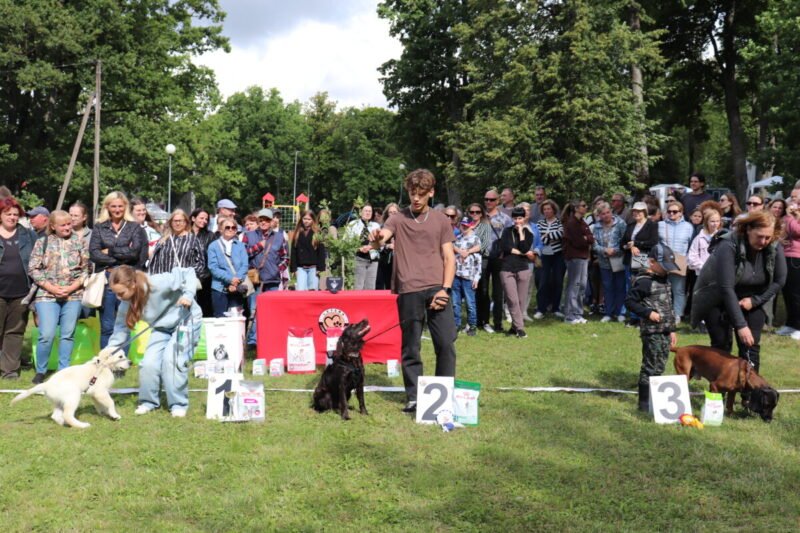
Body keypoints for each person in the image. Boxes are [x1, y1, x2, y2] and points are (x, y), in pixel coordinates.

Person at [370, 168, 456, 414]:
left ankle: (443, 394)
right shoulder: (398, 218)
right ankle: (415, 397)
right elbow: (382, 237)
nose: (415, 198)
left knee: (446, 343)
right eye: (412, 193)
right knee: (411, 347)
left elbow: (449, 257)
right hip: (408, 290)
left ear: (431, 192)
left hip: (437, 288)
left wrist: (445, 290)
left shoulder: (440, 219)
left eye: (421, 194)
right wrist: (377, 239)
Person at [691, 211, 786, 373]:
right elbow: (726, 288)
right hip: (718, 298)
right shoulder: (727, 245)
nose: (763, 241)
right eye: (760, 236)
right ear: (748, 229)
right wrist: (741, 325)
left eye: (767, 237)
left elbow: (779, 281)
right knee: (721, 346)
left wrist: (755, 301)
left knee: (750, 346)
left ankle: (750, 396)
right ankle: (716, 395)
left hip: (751, 298)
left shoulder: (774, 246)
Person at [107, 265, 202, 417]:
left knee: (172, 360)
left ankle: (178, 404)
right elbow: (120, 329)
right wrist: (109, 351)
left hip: (185, 321)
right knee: (148, 363)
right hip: (161, 327)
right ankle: (148, 402)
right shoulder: (127, 302)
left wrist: (188, 295)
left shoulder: (158, 282)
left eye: (121, 293)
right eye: (115, 294)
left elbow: (188, 272)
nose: (119, 297)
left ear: (132, 284)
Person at [28, 210, 90, 383]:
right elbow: (33, 268)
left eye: (69, 224)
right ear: (53, 226)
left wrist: (72, 287)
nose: (67, 227)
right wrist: (52, 288)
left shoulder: (80, 242)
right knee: (46, 334)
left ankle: (64, 371)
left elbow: (86, 269)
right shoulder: (42, 243)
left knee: (67, 334)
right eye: (63, 225)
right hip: (47, 294)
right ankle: (41, 370)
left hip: (73, 295)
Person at [624, 244, 679, 412]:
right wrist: (648, 313)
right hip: (651, 332)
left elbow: (668, 307)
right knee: (649, 366)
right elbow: (630, 302)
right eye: (664, 267)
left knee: (660, 364)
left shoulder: (666, 281)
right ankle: (644, 403)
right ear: (652, 262)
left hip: (664, 330)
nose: (667, 271)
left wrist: (672, 329)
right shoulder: (645, 282)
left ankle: (656, 399)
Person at [89, 191, 148, 349]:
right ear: (107, 207)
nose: (117, 209)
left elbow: (135, 252)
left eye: (120, 206)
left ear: (125, 207)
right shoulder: (99, 228)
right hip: (107, 279)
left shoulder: (134, 227)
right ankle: (106, 360)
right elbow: (94, 254)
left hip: (128, 280)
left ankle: (122, 362)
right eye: (113, 206)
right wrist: (123, 254)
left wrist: (110, 251)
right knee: (107, 325)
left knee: (124, 323)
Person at [0, 197, 38, 380]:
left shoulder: (28, 235)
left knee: (14, 332)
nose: (12, 217)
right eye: (8, 214)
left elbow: (38, 259)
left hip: (22, 293)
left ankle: (10, 371)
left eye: (16, 214)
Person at [242, 208, 288, 346]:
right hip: (255, 280)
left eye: (266, 220)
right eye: (261, 220)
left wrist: (277, 270)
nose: (263, 222)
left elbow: (285, 258)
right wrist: (258, 247)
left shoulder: (279, 237)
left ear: (271, 221)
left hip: (272, 280)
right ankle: (253, 342)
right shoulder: (248, 235)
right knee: (254, 312)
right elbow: (242, 255)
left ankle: (272, 338)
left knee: (273, 312)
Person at [478, 189, 512, 333]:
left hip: (499, 258)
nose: (488, 202)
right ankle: (483, 321)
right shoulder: (478, 216)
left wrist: (506, 252)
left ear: (497, 201)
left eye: (491, 200)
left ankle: (498, 323)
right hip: (482, 257)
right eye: (486, 199)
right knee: (482, 290)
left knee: (498, 292)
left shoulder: (504, 218)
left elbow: (511, 237)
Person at [500, 207, 534, 337]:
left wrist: (521, 233)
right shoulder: (506, 231)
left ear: (524, 218)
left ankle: (514, 328)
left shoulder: (528, 234)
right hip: (507, 268)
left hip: (523, 269)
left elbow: (525, 247)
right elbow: (505, 247)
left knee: (520, 301)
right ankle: (520, 329)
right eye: (515, 218)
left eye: (520, 218)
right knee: (512, 300)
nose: (517, 221)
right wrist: (522, 253)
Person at [658, 200, 693, 323]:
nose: (671, 213)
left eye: (675, 211)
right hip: (663, 260)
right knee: (662, 289)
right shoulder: (661, 225)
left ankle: (677, 315)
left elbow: (690, 245)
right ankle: (663, 312)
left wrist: (688, 260)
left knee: (678, 290)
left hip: (680, 260)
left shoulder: (688, 227)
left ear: (681, 213)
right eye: (669, 211)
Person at [592, 202, 627, 322]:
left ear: (611, 212)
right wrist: (604, 250)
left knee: (620, 286)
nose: (606, 215)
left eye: (608, 212)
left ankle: (621, 312)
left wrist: (615, 250)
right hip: (604, 261)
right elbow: (594, 245)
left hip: (618, 259)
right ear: (599, 215)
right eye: (603, 214)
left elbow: (625, 241)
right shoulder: (596, 227)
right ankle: (608, 312)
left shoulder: (621, 224)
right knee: (607, 287)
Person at [207, 216, 248, 317]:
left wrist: (236, 281)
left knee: (236, 318)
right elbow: (213, 267)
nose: (230, 229)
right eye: (227, 227)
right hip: (219, 288)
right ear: (221, 229)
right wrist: (230, 279)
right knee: (220, 319)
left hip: (237, 287)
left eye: (233, 228)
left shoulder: (240, 245)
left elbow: (245, 264)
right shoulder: (213, 246)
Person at [562, 200, 593, 324]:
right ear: (576, 208)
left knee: (582, 286)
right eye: (583, 206)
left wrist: (587, 238)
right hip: (575, 257)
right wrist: (585, 239)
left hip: (584, 257)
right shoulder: (572, 223)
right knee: (574, 285)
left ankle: (578, 313)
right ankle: (570, 315)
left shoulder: (582, 222)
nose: (586, 208)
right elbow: (578, 242)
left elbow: (591, 237)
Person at [535, 199, 565, 319]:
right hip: (544, 255)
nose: (547, 211)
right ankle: (541, 308)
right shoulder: (540, 223)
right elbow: (540, 238)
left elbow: (561, 234)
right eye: (545, 209)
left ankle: (555, 308)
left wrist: (547, 236)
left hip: (558, 255)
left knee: (558, 281)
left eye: (549, 209)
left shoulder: (559, 222)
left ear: (554, 210)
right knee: (543, 282)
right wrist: (550, 236)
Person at [452, 216, 481, 336]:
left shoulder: (475, 239)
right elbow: (451, 248)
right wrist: (459, 251)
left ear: (471, 225)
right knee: (455, 302)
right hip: (456, 275)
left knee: (470, 303)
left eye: (466, 225)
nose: (464, 227)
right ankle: (456, 324)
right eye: (462, 225)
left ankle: (472, 325)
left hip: (469, 276)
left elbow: (478, 261)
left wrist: (477, 278)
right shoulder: (457, 238)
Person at [777, 190, 800, 339]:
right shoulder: (788, 215)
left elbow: (797, 231)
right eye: (791, 196)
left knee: (796, 293)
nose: (791, 199)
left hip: (797, 257)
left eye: (795, 196)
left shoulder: (791, 216)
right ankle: (790, 324)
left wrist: (791, 217)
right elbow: (782, 231)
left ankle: (798, 326)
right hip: (785, 254)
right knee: (787, 291)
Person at [346, 204, 381, 290]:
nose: (368, 213)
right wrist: (359, 248)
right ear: (360, 212)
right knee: (358, 286)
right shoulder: (353, 224)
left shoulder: (376, 225)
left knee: (370, 287)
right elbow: (346, 242)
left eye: (370, 211)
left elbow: (381, 244)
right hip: (358, 258)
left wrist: (371, 247)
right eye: (366, 211)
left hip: (373, 260)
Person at [290, 210, 327, 291]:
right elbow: (293, 251)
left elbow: (321, 251)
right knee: (301, 290)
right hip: (301, 268)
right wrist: (294, 268)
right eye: (304, 218)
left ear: (313, 220)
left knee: (313, 291)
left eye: (309, 219)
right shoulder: (297, 233)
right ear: (301, 219)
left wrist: (320, 268)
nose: (306, 221)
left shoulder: (317, 233)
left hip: (313, 268)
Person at [190, 208, 214, 317]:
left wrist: (203, 275)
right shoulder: (185, 234)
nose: (204, 221)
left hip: (205, 277)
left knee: (204, 308)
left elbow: (212, 257)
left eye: (206, 219)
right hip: (187, 274)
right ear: (193, 218)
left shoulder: (210, 236)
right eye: (201, 218)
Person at [686, 209, 722, 274]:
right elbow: (691, 257)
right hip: (701, 274)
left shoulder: (722, 236)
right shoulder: (699, 238)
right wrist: (703, 267)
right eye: (712, 221)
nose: (715, 224)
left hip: (717, 274)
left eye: (717, 221)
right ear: (706, 222)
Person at [376, 202, 400, 290]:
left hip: (400, 261)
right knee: (386, 285)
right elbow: (378, 244)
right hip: (385, 260)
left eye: (395, 212)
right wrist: (387, 246)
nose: (393, 214)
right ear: (387, 214)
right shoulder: (382, 227)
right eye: (391, 212)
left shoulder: (402, 227)